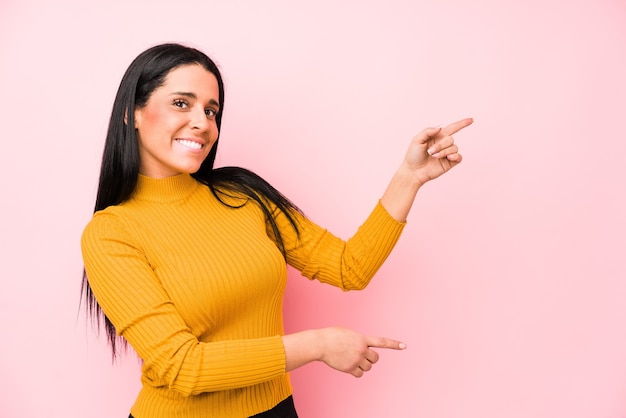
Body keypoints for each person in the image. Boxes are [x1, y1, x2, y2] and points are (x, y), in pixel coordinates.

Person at [80, 42, 473, 418]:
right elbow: (184, 368)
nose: (202, 122)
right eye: (181, 103)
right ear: (132, 112)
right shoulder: (111, 233)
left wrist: (410, 177)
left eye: (212, 110)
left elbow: (348, 267)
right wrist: (318, 345)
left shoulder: (244, 195)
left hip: (276, 411)